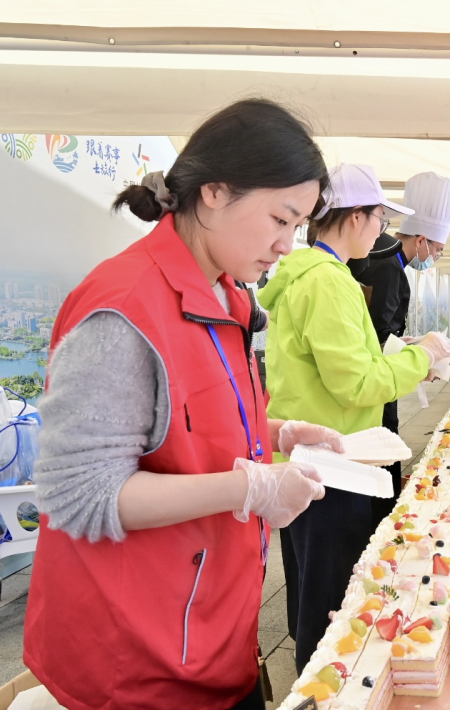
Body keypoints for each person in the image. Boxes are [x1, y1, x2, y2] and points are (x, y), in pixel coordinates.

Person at [24, 99, 341, 710]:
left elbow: (179, 425)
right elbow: (79, 495)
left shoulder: (225, 295)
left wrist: (276, 433)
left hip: (212, 633)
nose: (286, 244)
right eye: (281, 218)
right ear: (215, 192)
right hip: (139, 664)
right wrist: (248, 488)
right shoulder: (124, 308)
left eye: (298, 226)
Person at [259, 163, 450, 672]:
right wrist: (423, 356)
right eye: (379, 220)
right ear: (355, 218)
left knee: (309, 586)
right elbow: (356, 383)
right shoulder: (329, 282)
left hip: (306, 455)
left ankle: (313, 677)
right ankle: (326, 687)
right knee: (332, 598)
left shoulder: (304, 275)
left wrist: (409, 354)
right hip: (336, 461)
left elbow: (345, 364)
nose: (381, 232)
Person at [349, 171, 450, 525]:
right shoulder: (389, 267)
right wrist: (420, 357)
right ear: (422, 240)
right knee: (382, 453)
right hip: (375, 380)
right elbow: (378, 337)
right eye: (437, 250)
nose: (435, 258)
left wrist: (419, 347)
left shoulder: (382, 260)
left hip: (375, 376)